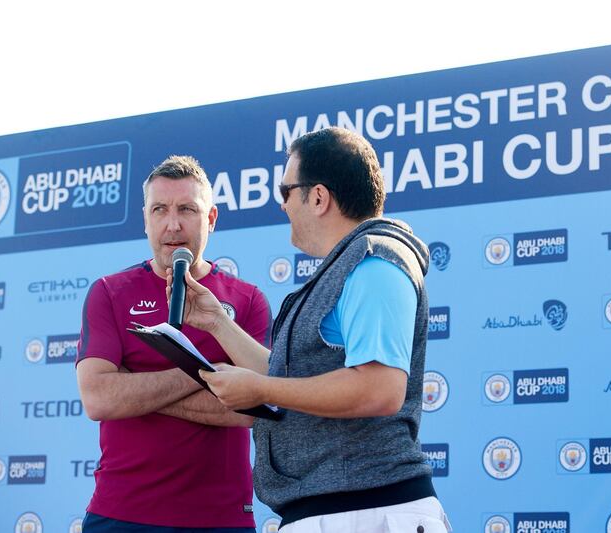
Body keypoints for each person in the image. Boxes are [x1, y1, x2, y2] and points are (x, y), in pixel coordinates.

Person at [172, 127, 451, 532]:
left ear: (318, 197)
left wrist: (261, 390)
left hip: (368, 513)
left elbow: (379, 388)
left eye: (285, 191)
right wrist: (218, 323)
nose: (282, 205)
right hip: (328, 511)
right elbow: (290, 378)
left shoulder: (376, 261)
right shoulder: (349, 264)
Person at [75, 155, 271, 532]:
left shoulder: (247, 300)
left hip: (220, 518)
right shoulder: (109, 292)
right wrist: (211, 375)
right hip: (121, 514)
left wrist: (133, 387)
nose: (173, 224)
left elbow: (250, 410)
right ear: (146, 219)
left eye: (187, 209)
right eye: (160, 210)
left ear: (211, 219)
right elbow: (99, 398)